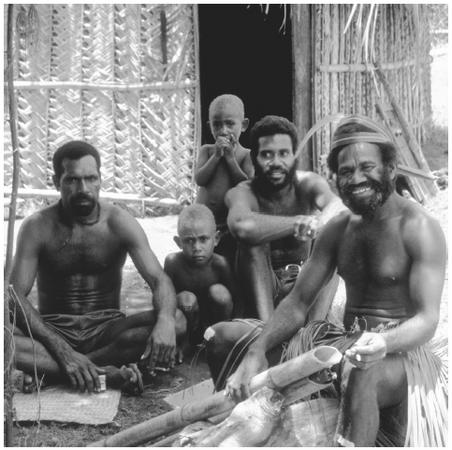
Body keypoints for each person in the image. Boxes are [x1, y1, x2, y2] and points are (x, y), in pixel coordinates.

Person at [208, 115, 447, 446]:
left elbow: (427, 320)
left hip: (398, 358)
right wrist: (257, 351)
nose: (357, 178)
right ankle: (226, 427)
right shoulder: (339, 230)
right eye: (346, 172)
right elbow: (297, 303)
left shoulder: (419, 228)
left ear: (390, 168)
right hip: (342, 344)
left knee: (362, 371)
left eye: (367, 167)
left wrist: (384, 343)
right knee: (224, 337)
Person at [9, 140, 185, 394]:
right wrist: (62, 349)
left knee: (178, 320)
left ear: (101, 179)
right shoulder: (37, 227)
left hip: (107, 331)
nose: (83, 188)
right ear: (56, 181)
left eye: (91, 178)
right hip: (52, 331)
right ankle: (105, 374)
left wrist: (166, 320)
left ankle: (58, 370)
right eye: (72, 180)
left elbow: (159, 279)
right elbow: (14, 295)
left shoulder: (119, 222)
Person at [223, 115, 345, 320]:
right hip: (264, 289)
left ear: (294, 157)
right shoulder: (243, 192)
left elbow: (338, 205)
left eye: (283, 154)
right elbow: (241, 225)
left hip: (303, 282)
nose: (276, 162)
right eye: (267, 155)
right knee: (253, 242)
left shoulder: (307, 183)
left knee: (333, 236)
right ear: (255, 158)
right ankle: (266, 332)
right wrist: (297, 223)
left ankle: (312, 333)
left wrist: (320, 222)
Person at [195, 94, 254, 266]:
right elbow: (200, 179)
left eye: (230, 123)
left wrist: (230, 160)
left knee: (226, 263)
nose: (223, 130)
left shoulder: (246, 155)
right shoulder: (206, 151)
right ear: (209, 126)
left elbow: (246, 186)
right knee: (202, 262)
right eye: (217, 124)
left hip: (229, 227)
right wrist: (216, 157)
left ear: (243, 125)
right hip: (203, 223)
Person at [164, 204, 235, 348]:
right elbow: (165, 298)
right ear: (178, 242)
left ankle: (219, 341)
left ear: (216, 239)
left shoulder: (220, 264)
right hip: (185, 323)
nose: (196, 248)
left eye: (203, 239)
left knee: (220, 293)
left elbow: (236, 300)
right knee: (186, 299)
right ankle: (185, 345)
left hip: (213, 322)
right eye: (189, 241)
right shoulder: (173, 263)